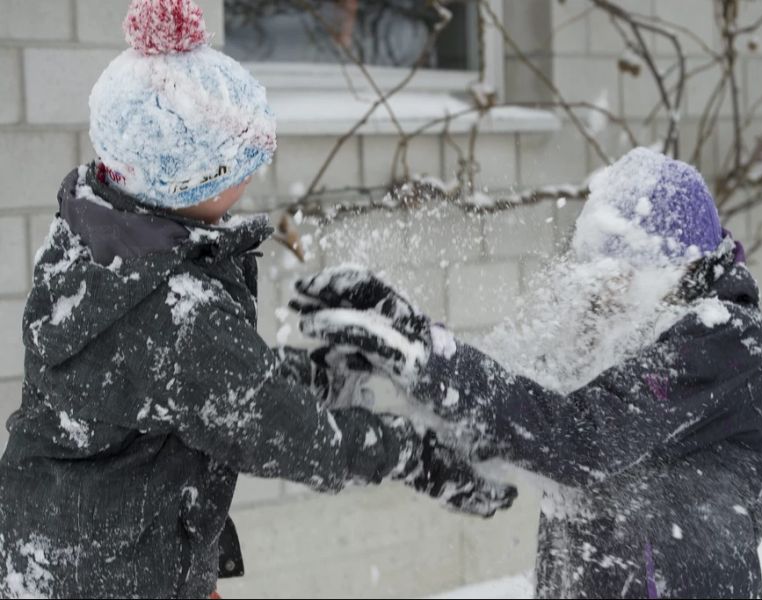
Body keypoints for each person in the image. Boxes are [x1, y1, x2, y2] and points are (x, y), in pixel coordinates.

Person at [0, 1, 514, 598]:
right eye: (241, 162)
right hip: (117, 578)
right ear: (189, 182)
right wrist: (411, 454)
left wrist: (308, 375)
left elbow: (187, 392)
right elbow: (300, 440)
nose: (254, 172)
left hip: (66, 549)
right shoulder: (174, 313)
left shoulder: (96, 239)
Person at [292, 148, 762, 599]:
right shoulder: (623, 326)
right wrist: (404, 351)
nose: (605, 292)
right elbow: (526, 413)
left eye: (622, 274)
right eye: (598, 273)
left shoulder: (728, 342)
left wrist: (432, 359)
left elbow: (582, 437)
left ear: (677, 264)